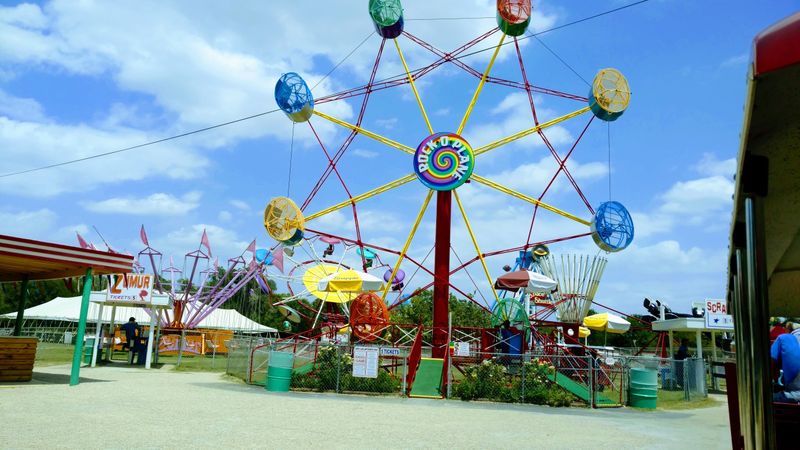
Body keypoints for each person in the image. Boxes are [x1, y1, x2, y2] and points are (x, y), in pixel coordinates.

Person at [771, 322, 800, 403]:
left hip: (795, 395)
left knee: (763, 398)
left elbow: (772, 363)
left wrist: (776, 380)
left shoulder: (783, 338)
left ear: (788, 330)